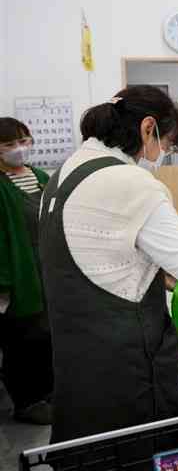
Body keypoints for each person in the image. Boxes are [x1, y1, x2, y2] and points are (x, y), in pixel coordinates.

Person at [37, 86, 178, 444]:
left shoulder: (66, 171)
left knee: (92, 450)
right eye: (168, 143)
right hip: (126, 363)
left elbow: (104, 252)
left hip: (78, 357)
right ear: (148, 128)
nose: (164, 154)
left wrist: (157, 272)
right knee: (143, 449)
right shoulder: (130, 181)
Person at [0, 118, 54, 425]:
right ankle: (27, 401)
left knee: (47, 336)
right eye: (9, 145)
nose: (19, 149)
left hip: (46, 271)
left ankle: (48, 393)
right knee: (22, 340)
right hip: (18, 275)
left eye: (23, 141)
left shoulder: (40, 177)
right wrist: (3, 286)